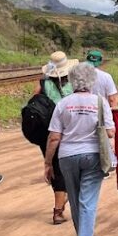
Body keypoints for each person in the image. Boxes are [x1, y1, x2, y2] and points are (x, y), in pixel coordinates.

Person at [43, 63, 114, 236]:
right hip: (93, 156)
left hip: (67, 157)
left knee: (75, 201)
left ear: (72, 81)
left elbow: (54, 137)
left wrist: (48, 163)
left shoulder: (63, 104)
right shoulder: (100, 102)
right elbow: (110, 133)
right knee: (88, 202)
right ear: (92, 81)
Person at [39, 51, 77, 225]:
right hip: (73, 130)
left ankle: (58, 210)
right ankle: (67, 201)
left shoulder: (42, 84)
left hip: (50, 131)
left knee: (56, 168)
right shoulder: (74, 84)